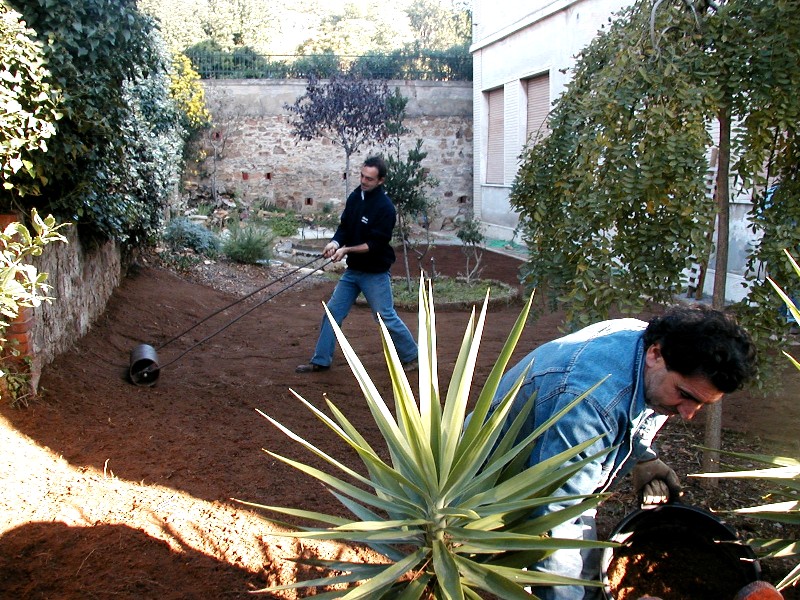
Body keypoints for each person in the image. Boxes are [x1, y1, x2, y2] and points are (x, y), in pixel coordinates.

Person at [484, 304, 757, 600]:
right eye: (685, 396)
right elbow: (553, 519)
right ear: (656, 354)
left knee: (587, 577)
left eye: (703, 404)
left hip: (558, 481)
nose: (689, 413)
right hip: (489, 493)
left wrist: (645, 458)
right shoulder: (589, 404)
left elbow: (637, 407)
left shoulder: (645, 343)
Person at [295, 156, 418, 373]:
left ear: (381, 180)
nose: (363, 181)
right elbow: (345, 228)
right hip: (353, 272)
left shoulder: (385, 208)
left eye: (369, 179)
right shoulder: (355, 196)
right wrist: (334, 243)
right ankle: (321, 360)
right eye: (362, 176)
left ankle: (412, 356)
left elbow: (375, 244)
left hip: (375, 273)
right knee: (332, 311)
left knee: (384, 317)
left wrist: (346, 250)